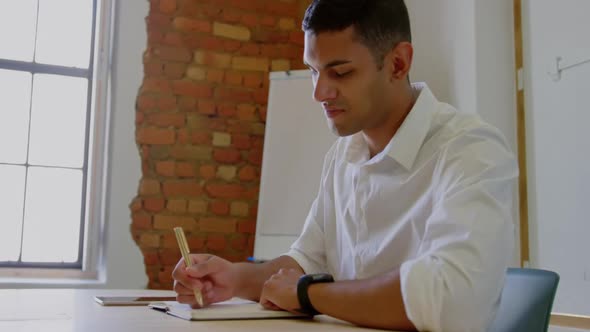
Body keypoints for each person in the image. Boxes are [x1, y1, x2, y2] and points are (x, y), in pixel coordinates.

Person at [172, 0, 518, 331]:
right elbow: (306, 262)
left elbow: (450, 300)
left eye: (340, 72)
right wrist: (231, 278)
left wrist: (309, 294)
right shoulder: (343, 156)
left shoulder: (470, 150)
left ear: (398, 63)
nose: (319, 92)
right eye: (313, 71)